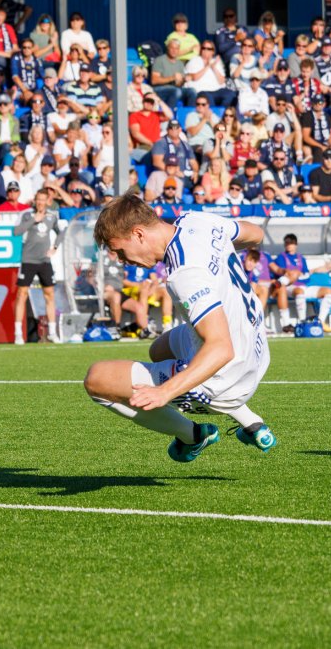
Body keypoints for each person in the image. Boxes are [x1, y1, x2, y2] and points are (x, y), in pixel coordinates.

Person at [84, 194, 276, 463]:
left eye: (119, 251)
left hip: (225, 380)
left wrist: (165, 391)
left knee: (97, 379)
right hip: (256, 348)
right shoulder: (196, 220)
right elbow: (255, 234)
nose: (120, 260)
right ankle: (251, 422)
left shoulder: (184, 274)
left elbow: (221, 348)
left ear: (138, 234)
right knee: (160, 349)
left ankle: (193, 435)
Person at [11, 189, 60, 344]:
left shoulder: (52, 216)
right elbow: (16, 231)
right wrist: (34, 219)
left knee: (50, 294)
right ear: (35, 200)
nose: (40, 202)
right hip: (28, 260)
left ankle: (52, 332)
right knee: (22, 294)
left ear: (47, 201)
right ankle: (18, 333)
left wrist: (55, 247)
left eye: (43, 200)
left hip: (44, 260)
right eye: (38, 199)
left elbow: (61, 232)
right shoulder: (26, 214)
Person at [274, 233, 331, 331]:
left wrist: (299, 275)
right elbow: (280, 275)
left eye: (291, 243)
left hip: (303, 286)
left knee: (328, 292)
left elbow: (307, 276)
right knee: (299, 291)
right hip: (289, 288)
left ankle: (320, 322)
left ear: (296, 244)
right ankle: (302, 323)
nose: (289, 245)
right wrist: (295, 275)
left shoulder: (301, 258)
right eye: (287, 243)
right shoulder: (281, 257)